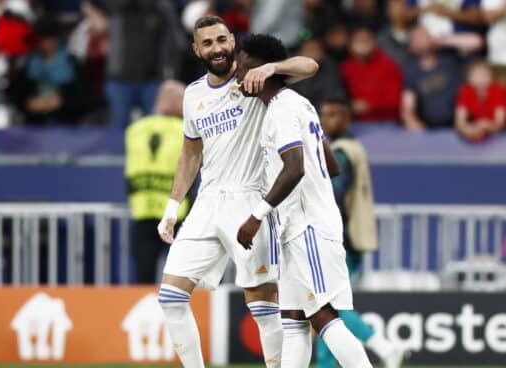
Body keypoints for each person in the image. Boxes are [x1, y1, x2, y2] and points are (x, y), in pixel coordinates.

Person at [156, 16, 318, 368]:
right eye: (208, 43)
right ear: (196, 49)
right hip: (206, 202)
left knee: (261, 304)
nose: (217, 48)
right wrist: (173, 207)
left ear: (233, 40)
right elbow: (190, 153)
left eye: (222, 40)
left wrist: (272, 66)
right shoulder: (193, 95)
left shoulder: (255, 79)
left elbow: (310, 66)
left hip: (250, 198)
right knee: (170, 296)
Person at [234, 33, 373, 368]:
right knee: (294, 320)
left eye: (241, 62)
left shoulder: (281, 108)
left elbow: (294, 168)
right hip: (301, 224)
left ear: (260, 67)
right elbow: (332, 165)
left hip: (306, 225)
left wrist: (256, 216)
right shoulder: (301, 103)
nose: (237, 71)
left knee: (322, 316)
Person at [315, 97, 407, 368]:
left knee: (329, 305)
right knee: (329, 304)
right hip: (352, 236)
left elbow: (334, 194)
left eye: (332, 115)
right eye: (323, 114)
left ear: (346, 119)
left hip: (341, 238)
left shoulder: (342, 151)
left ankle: (383, 346)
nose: (325, 121)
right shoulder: (355, 148)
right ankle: (327, 363)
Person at [125, 80, 191, 284]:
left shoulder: (135, 129)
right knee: (183, 279)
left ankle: (147, 315)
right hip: (177, 214)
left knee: (143, 280)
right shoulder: (186, 130)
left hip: (142, 212)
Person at [87, 0, 186, 128]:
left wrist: (169, 75)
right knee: (118, 131)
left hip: (152, 79)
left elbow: (176, 41)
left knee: (154, 128)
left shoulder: (161, 6)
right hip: (119, 79)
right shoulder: (116, 5)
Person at [11, 19, 85, 125]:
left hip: (64, 123)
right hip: (34, 124)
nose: (47, 44)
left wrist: (61, 102)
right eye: (43, 39)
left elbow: (82, 97)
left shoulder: (71, 62)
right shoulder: (29, 62)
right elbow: (17, 94)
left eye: (51, 39)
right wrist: (29, 104)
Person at [401, 26, 463, 130]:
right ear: (412, 46)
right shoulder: (411, 71)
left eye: (426, 35)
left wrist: (440, 41)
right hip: (430, 129)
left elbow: (477, 42)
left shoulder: (449, 60)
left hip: (457, 126)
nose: (424, 39)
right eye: (419, 37)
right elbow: (408, 108)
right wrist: (416, 126)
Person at [340, 26, 403, 122]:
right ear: (350, 46)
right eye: (358, 41)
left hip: (386, 122)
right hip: (354, 123)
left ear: (374, 43)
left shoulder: (389, 65)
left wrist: (370, 105)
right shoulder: (346, 68)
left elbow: (395, 100)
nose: (363, 44)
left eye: (366, 40)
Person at [455, 60, 506, 141]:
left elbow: (500, 122)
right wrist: (468, 130)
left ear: (491, 76)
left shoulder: (499, 90)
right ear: (469, 77)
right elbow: (460, 121)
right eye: (477, 74)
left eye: (485, 74)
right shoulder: (465, 90)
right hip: (473, 132)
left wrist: (485, 126)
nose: (481, 78)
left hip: (498, 134)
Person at [291, 37, 346, 109]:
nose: (313, 53)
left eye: (316, 49)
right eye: (309, 49)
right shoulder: (290, 70)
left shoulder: (330, 69)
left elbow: (334, 96)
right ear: (300, 53)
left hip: (323, 114)